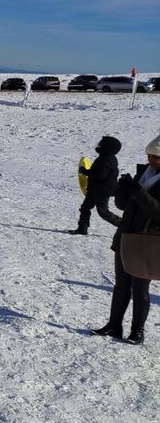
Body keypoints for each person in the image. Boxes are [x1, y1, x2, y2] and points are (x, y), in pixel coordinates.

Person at [90, 134, 160, 345]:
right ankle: (114, 325)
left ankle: (137, 331)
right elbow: (122, 206)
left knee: (140, 288)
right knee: (121, 285)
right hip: (125, 236)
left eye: (156, 157)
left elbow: (158, 213)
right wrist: (122, 191)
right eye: (150, 156)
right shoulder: (143, 174)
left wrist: (138, 192)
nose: (151, 161)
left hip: (147, 241)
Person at [71, 136, 121, 235]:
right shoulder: (106, 157)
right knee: (85, 207)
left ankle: (125, 225)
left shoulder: (105, 159)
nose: (99, 145)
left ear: (107, 147)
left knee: (103, 212)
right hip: (95, 189)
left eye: (102, 143)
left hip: (102, 191)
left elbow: (100, 175)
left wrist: (85, 172)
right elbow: (98, 172)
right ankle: (82, 229)